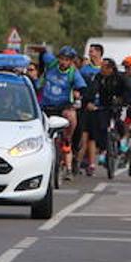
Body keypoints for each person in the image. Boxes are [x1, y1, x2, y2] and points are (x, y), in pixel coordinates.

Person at [38, 46, 87, 179]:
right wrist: (42, 50)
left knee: (71, 119)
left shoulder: (73, 73)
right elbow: (43, 53)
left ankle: (68, 160)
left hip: (64, 106)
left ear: (71, 61)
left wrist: (78, 93)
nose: (63, 62)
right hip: (46, 105)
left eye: (67, 60)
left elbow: (82, 87)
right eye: (62, 59)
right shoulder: (52, 63)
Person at [80, 57, 131, 174]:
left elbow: (128, 91)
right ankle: (104, 149)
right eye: (101, 67)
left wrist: (123, 101)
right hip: (105, 105)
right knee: (101, 126)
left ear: (111, 69)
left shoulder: (121, 77)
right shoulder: (99, 77)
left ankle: (123, 141)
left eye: (104, 67)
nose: (101, 69)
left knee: (121, 121)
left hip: (121, 105)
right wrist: (88, 102)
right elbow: (92, 90)